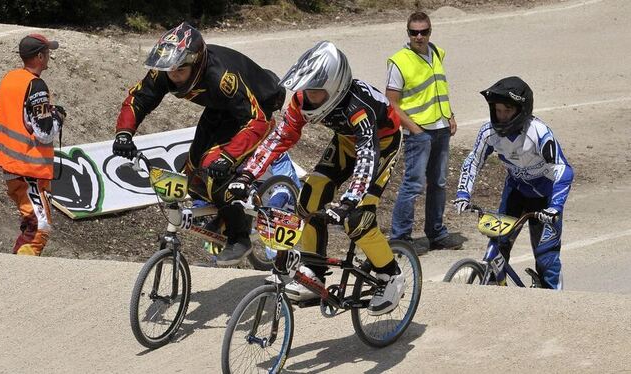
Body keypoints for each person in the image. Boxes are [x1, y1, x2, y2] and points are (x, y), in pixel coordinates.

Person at [228, 41, 405, 316]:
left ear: (335, 87)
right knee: (308, 199)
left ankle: (391, 275)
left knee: (358, 218)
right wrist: (247, 174)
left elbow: (368, 156)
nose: (309, 98)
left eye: (316, 92)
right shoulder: (301, 100)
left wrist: (349, 201)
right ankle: (315, 272)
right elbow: (279, 137)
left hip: (381, 144)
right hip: (347, 142)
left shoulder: (358, 106)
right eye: (306, 90)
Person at [111, 22, 285, 266]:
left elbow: (257, 122)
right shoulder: (168, 69)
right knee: (192, 172)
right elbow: (138, 99)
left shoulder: (222, 77)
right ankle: (226, 214)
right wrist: (124, 134)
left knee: (215, 166)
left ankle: (239, 237)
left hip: (258, 108)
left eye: (180, 72)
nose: (173, 78)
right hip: (220, 107)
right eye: (169, 72)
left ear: (197, 63)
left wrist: (228, 157)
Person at [453, 76, 574, 289]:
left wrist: (555, 207)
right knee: (498, 246)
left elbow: (563, 171)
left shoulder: (539, 133)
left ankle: (554, 304)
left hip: (545, 200)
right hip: (516, 192)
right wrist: (463, 193)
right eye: (498, 111)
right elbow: (473, 161)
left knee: (546, 258)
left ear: (521, 110)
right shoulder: (488, 132)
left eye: (507, 111)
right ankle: (494, 291)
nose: (501, 117)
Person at [386, 11, 461, 253]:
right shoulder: (399, 61)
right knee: (413, 185)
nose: (419, 36)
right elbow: (392, 103)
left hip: (440, 128)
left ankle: (436, 234)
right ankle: (400, 238)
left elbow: (439, 89)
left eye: (424, 31)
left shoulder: (437, 52)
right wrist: (415, 130)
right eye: (414, 32)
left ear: (430, 31)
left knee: (438, 183)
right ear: (407, 33)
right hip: (419, 133)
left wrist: (449, 115)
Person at [0, 34, 66, 256]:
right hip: (28, 168)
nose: (50, 57)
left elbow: (4, 116)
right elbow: (44, 132)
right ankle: (20, 274)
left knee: (31, 221)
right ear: (39, 56)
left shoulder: (10, 79)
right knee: (38, 227)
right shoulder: (36, 85)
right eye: (48, 53)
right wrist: (58, 116)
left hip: (11, 165)